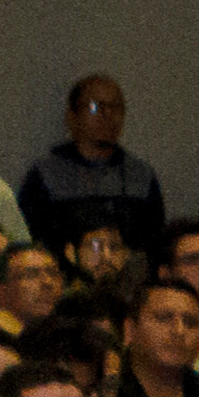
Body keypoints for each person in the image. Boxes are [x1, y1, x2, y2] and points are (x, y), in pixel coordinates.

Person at [18, 76, 171, 262]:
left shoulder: (141, 176)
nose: (108, 115)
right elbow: (34, 241)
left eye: (116, 108)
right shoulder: (45, 176)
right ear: (71, 118)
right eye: (95, 107)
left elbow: (154, 243)